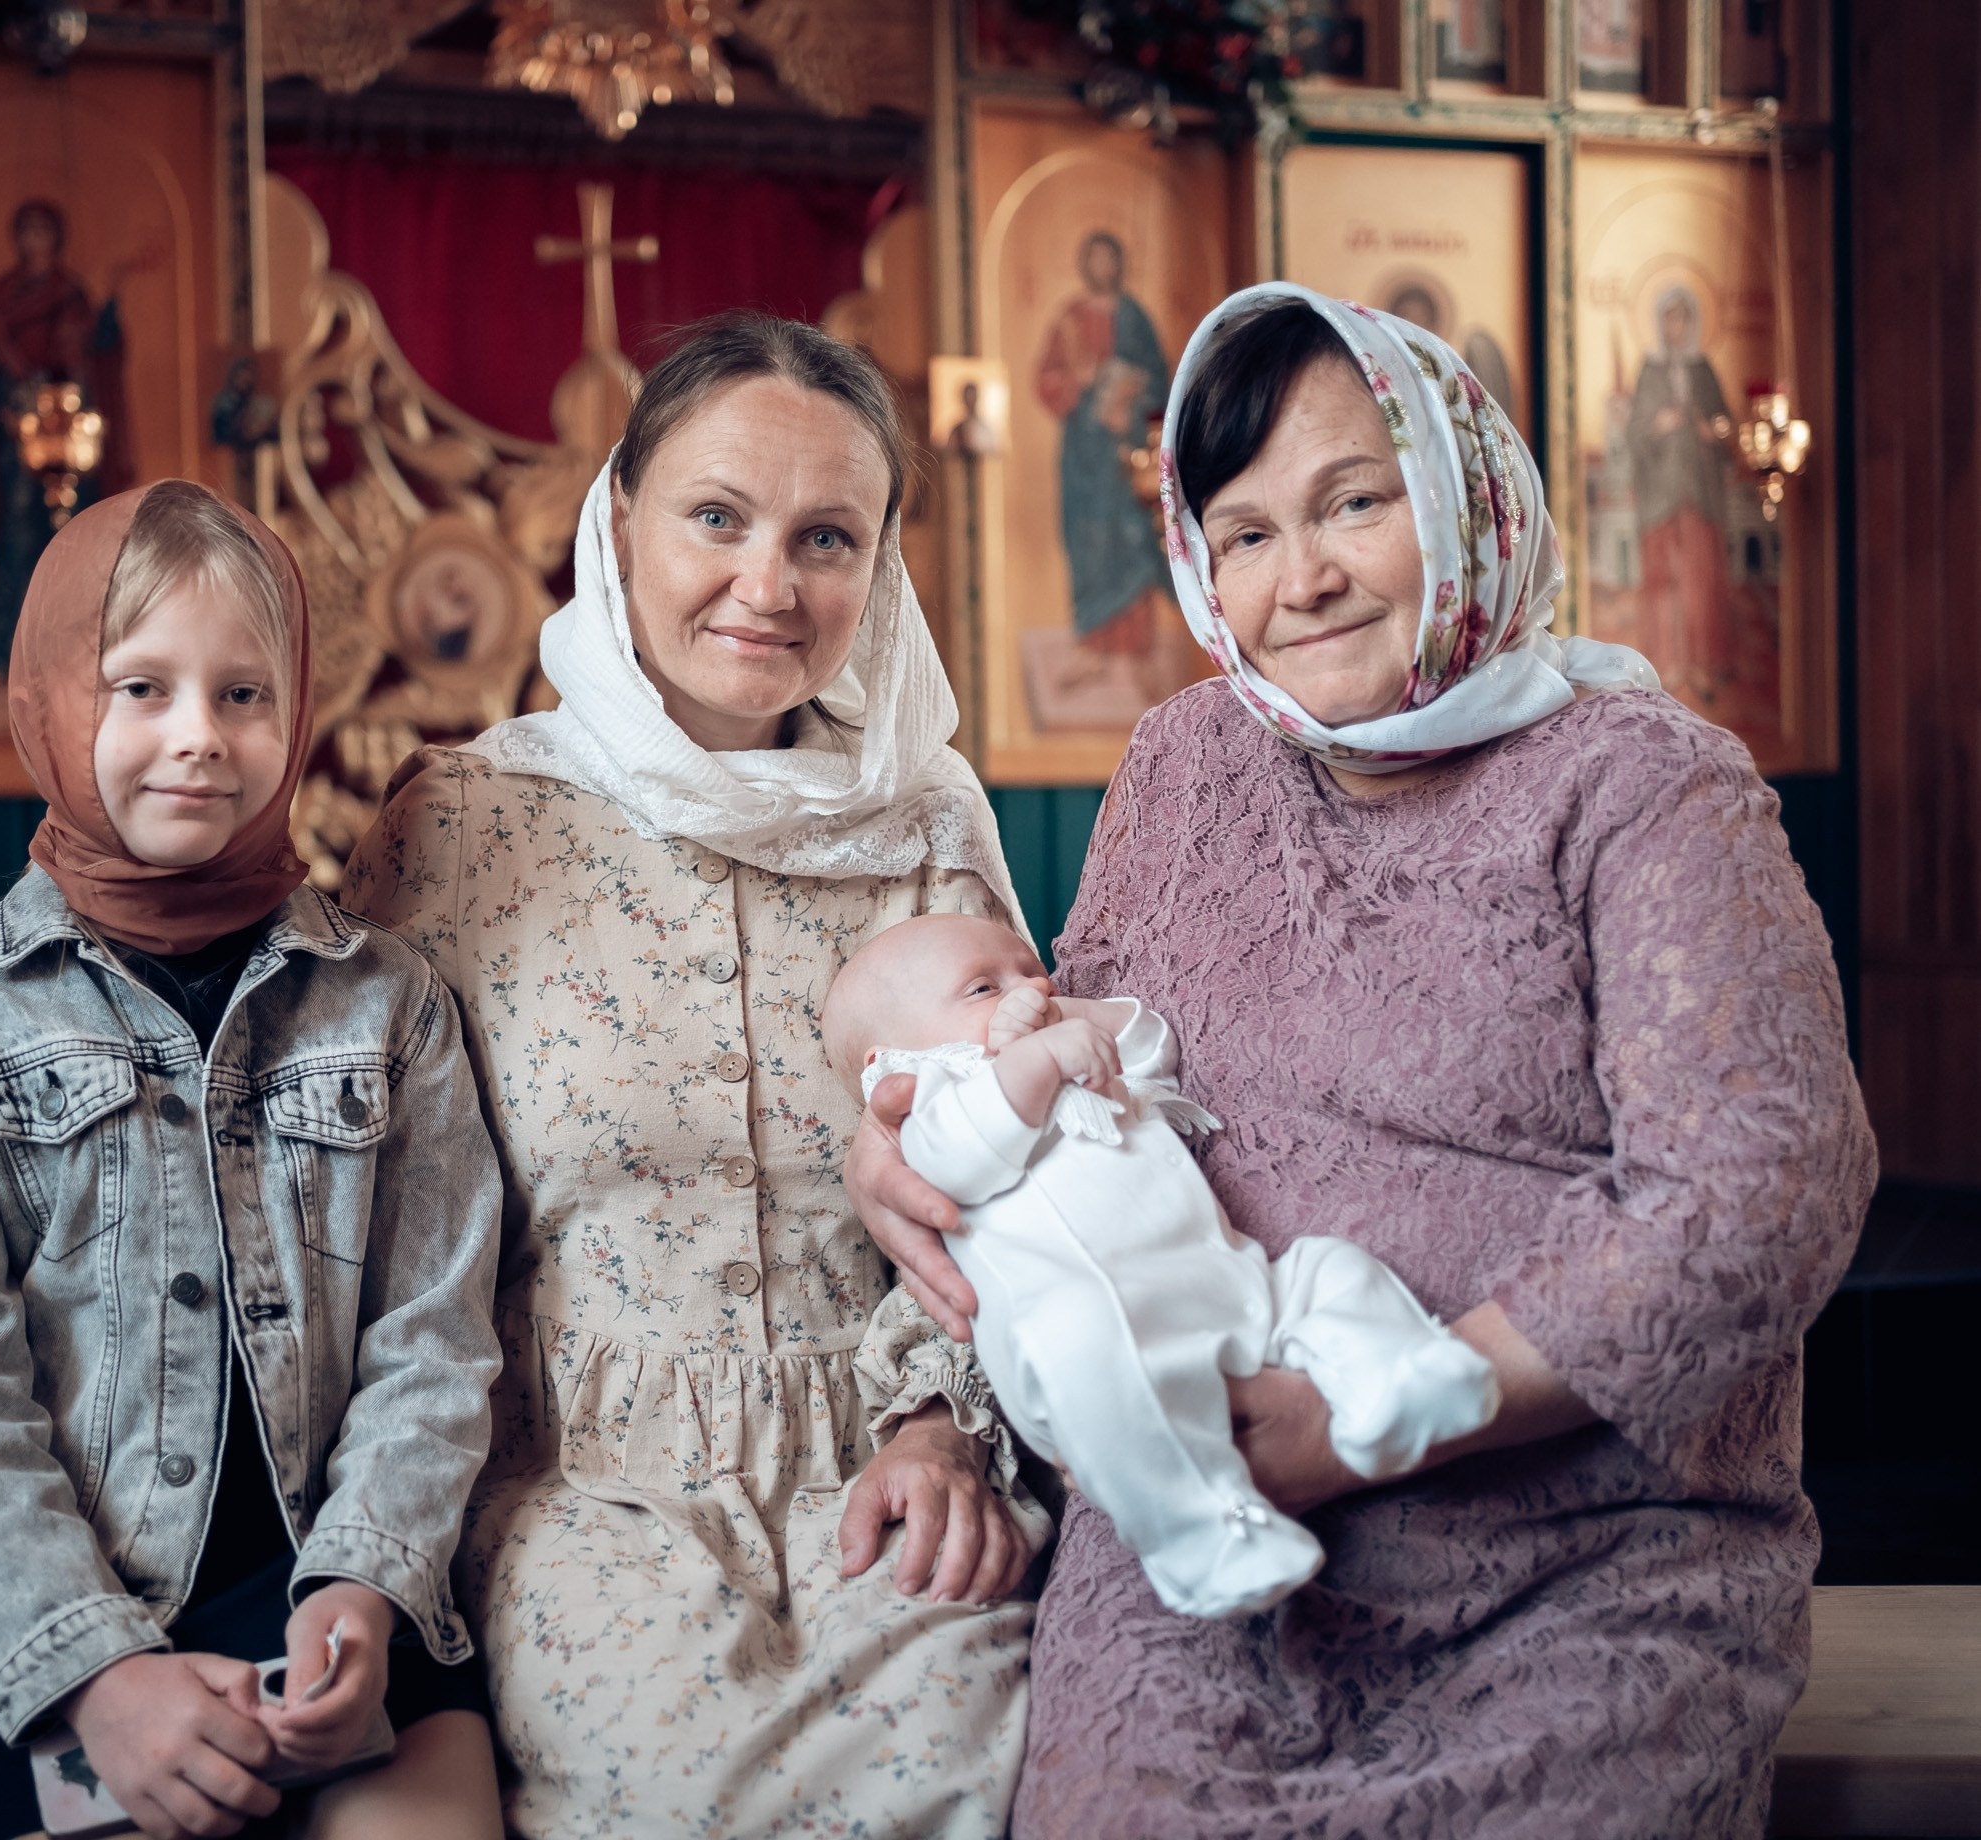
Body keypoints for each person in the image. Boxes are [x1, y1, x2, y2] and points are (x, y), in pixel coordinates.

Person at [849, 283, 1875, 1837]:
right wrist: (916, 1140)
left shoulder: (1642, 783)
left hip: (1583, 1552)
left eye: (1354, 503)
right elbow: (1069, 1070)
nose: (1303, 579)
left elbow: (1759, 1193)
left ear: (1466, 499)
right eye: (1245, 535)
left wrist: (1376, 1423)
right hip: (1210, 1548)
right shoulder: (1186, 766)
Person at [342, 312, 1046, 1838]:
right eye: (717, 517)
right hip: (588, 1497)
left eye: (827, 537)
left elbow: (1030, 1185)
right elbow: (369, 1234)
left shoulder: (926, 828)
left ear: (885, 569)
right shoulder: (462, 829)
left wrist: (946, 1426)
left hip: (893, 1469)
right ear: (618, 523)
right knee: (671, 1800)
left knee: (981, 1776)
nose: (768, 585)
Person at [0, 481, 505, 1840]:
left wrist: (363, 1589)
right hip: (36, 1637)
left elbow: (435, 1343)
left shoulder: (391, 1006)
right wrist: (103, 1678)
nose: (198, 738)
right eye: (141, 688)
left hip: (340, 1600)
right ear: (50, 702)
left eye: (244, 695)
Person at [822, 913, 1496, 1619]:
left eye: (1030, 970)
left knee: (1329, 1270)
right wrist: (1036, 1059)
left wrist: (1068, 1019)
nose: (1032, 988)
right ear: (888, 1065)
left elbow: (1152, 1043)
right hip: (1101, 1338)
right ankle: (1203, 1541)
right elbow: (964, 1160)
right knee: (1130, 1411)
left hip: (1227, 1279)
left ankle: (1399, 1382)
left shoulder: (1073, 1054)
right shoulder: (930, 1106)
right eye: (984, 986)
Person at [0, 198, 133, 675]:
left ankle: (79, 651)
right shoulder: (4, 295)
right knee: (17, 538)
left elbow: (91, 352)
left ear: (56, 239)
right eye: (25, 231)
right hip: (18, 441)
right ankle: (11, 651)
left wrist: (107, 315)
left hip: (68, 441)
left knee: (73, 537)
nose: (33, 241)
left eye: (41, 231)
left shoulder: (69, 293)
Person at [1033, 230, 1171, 660]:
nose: (1102, 268)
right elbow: (1046, 380)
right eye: (1094, 259)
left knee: (1129, 540)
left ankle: (1137, 654)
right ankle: (1093, 653)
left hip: (1127, 453)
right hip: (1083, 454)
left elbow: (1163, 381)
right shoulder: (1069, 318)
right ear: (1083, 265)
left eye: (1109, 259)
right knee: (1089, 540)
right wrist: (1081, 382)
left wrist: (1130, 386)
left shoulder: (1135, 316)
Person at [1629, 283, 1739, 702]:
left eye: (1683, 318)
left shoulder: (1703, 369)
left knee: (1701, 577)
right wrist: (1658, 426)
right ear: (1661, 323)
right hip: (1660, 494)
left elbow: (1726, 424)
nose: (1676, 327)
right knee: (1662, 576)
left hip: (1700, 493)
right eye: (1669, 318)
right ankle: (1665, 665)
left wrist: (1712, 430)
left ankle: (1705, 664)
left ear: (1692, 323)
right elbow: (1635, 431)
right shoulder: (1650, 371)